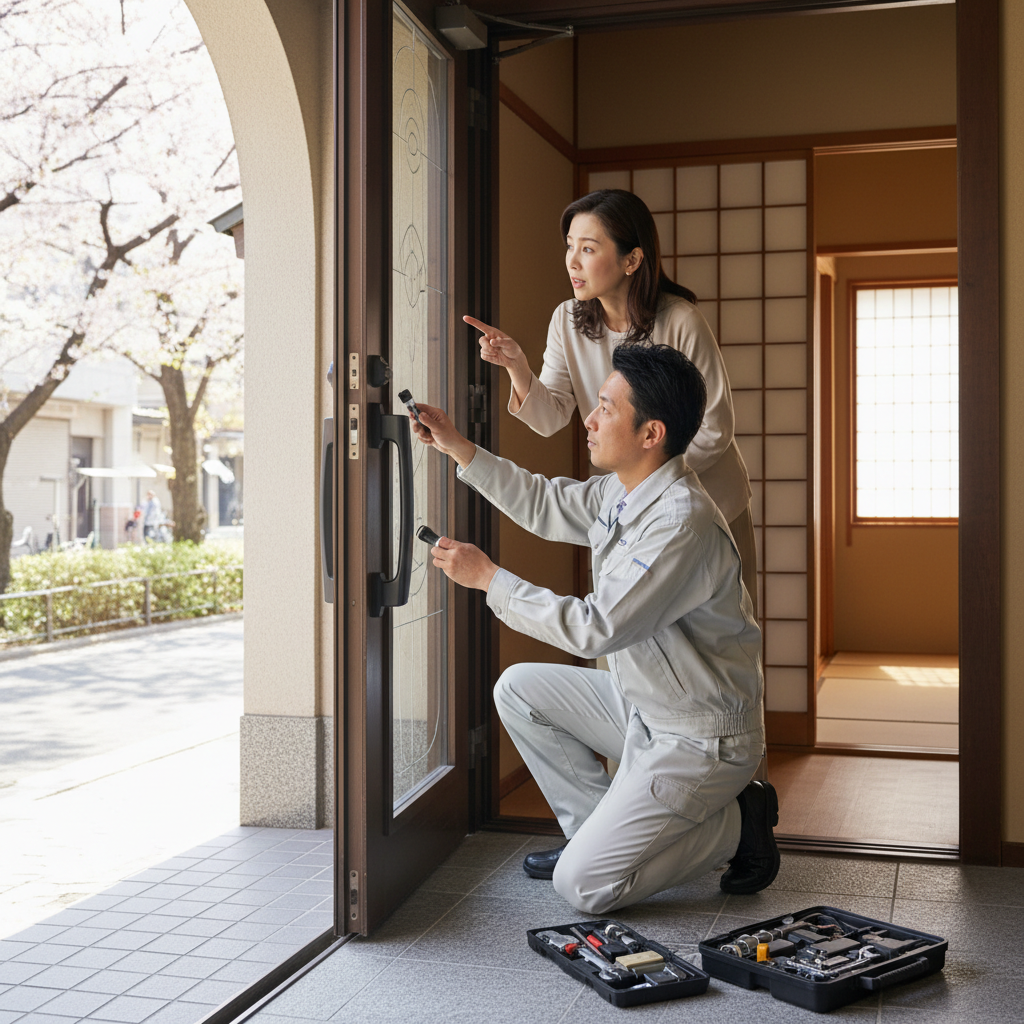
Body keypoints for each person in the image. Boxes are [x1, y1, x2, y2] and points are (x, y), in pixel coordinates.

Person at [409, 342, 779, 915]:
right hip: (646, 707)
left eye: (606, 408)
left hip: (701, 734)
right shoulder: (625, 490)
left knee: (583, 888)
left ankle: (737, 824)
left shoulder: (680, 522)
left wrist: (490, 580)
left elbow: (595, 628)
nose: (590, 419)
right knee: (518, 690)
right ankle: (593, 837)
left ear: (651, 433)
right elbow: (543, 502)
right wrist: (457, 445)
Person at [465, 188, 757, 615]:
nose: (572, 261)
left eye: (588, 248)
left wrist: (641, 480)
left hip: (711, 504)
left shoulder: (681, 320)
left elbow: (714, 428)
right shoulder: (567, 321)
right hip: (629, 505)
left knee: (719, 639)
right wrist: (517, 368)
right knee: (625, 635)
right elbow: (550, 418)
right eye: (570, 246)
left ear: (632, 259)